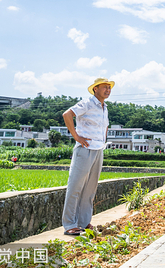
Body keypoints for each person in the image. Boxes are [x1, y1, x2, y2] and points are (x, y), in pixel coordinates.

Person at [61, 78, 114, 236]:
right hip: (85, 149)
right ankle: (69, 224)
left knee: (90, 190)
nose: (108, 90)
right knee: (76, 186)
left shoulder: (105, 108)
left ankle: (83, 222)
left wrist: (103, 143)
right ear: (95, 89)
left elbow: (104, 127)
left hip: (98, 150)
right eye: (105, 87)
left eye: (109, 88)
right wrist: (76, 137)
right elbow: (67, 115)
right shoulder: (87, 103)